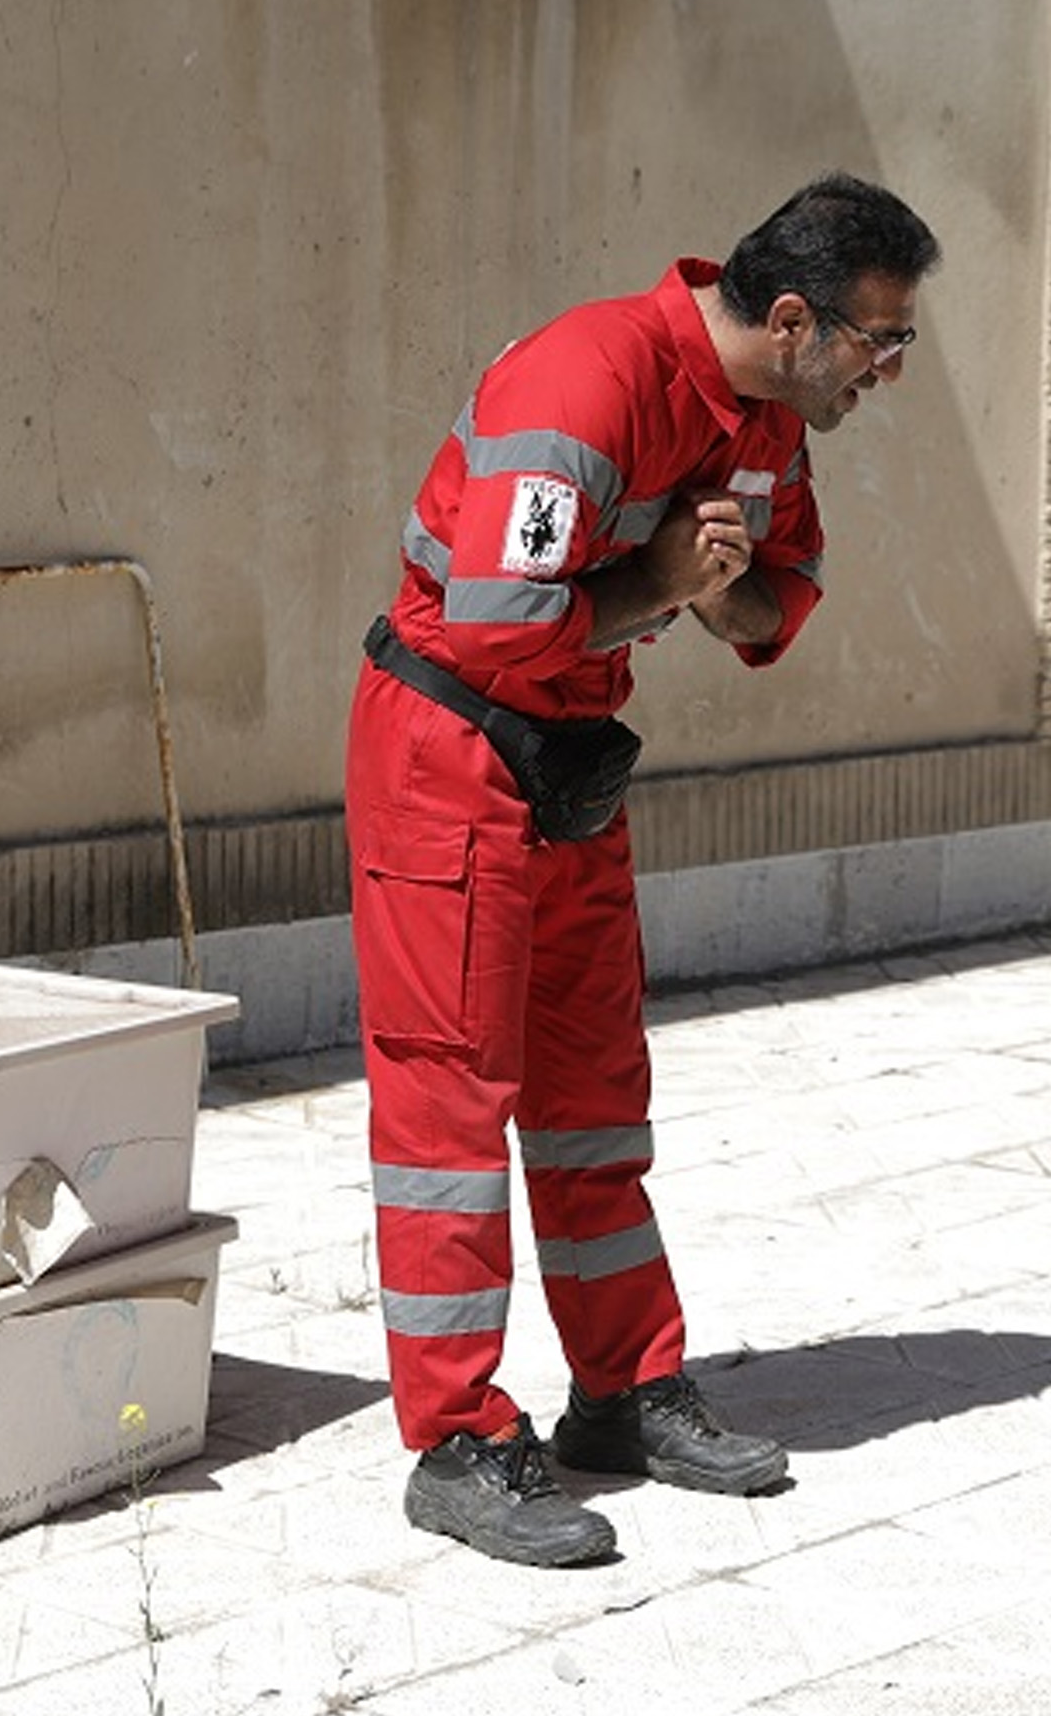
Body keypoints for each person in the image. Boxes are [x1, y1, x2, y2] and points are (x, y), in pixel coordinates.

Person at [343, 173, 941, 1566]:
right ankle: (460, 1440)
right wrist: (666, 582)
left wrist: (709, 586)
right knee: (452, 1107)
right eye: (878, 343)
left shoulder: (764, 420)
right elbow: (494, 624)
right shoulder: (583, 385)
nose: (887, 373)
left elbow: (777, 593)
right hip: (456, 749)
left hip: (566, 757)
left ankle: (620, 1390)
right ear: (793, 320)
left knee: (593, 1093)